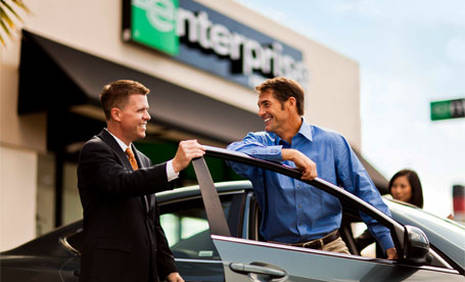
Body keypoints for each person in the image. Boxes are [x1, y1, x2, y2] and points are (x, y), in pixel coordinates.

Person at [227, 76, 397, 259]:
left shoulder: (332, 143)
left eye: (266, 104)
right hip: (280, 256)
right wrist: (288, 154)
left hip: (330, 250)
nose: (260, 112)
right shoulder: (259, 141)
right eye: (259, 106)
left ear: (290, 103)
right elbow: (233, 153)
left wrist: (389, 243)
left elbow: (365, 194)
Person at [77, 80, 205, 282]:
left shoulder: (143, 160)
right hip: (110, 274)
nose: (148, 116)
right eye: (140, 110)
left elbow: (152, 223)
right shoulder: (95, 149)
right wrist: (174, 166)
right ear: (117, 114)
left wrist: (169, 269)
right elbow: (122, 183)